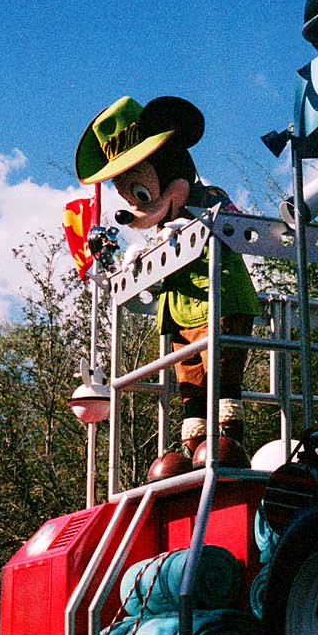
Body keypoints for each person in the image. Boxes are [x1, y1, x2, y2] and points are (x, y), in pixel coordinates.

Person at [75, 95, 261, 471]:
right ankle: (194, 444)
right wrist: (138, 261)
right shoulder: (162, 231)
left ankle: (225, 444)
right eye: (131, 197)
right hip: (178, 311)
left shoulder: (208, 199)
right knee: (189, 383)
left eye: (141, 194)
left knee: (222, 378)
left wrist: (198, 223)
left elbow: (243, 229)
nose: (137, 209)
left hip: (219, 299)